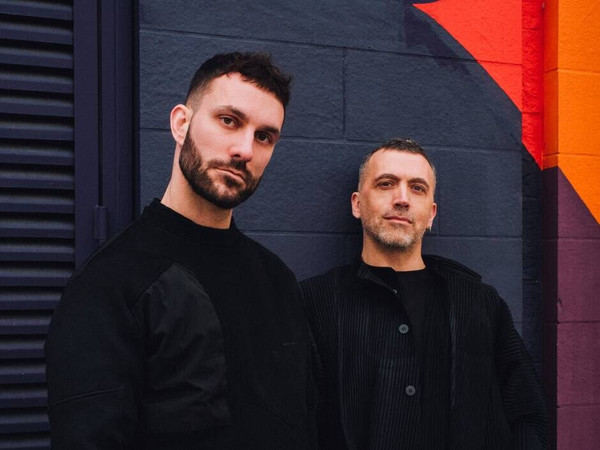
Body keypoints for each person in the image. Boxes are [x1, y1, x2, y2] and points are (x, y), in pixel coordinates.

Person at [45, 52, 316, 449]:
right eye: (229, 120)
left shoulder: (277, 279)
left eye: (264, 136)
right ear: (180, 123)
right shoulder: (110, 283)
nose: (244, 149)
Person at [300, 138, 546, 449]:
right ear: (357, 204)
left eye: (417, 188)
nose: (402, 199)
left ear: (431, 214)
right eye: (386, 184)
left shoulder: (480, 302)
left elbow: (527, 409)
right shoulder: (314, 302)